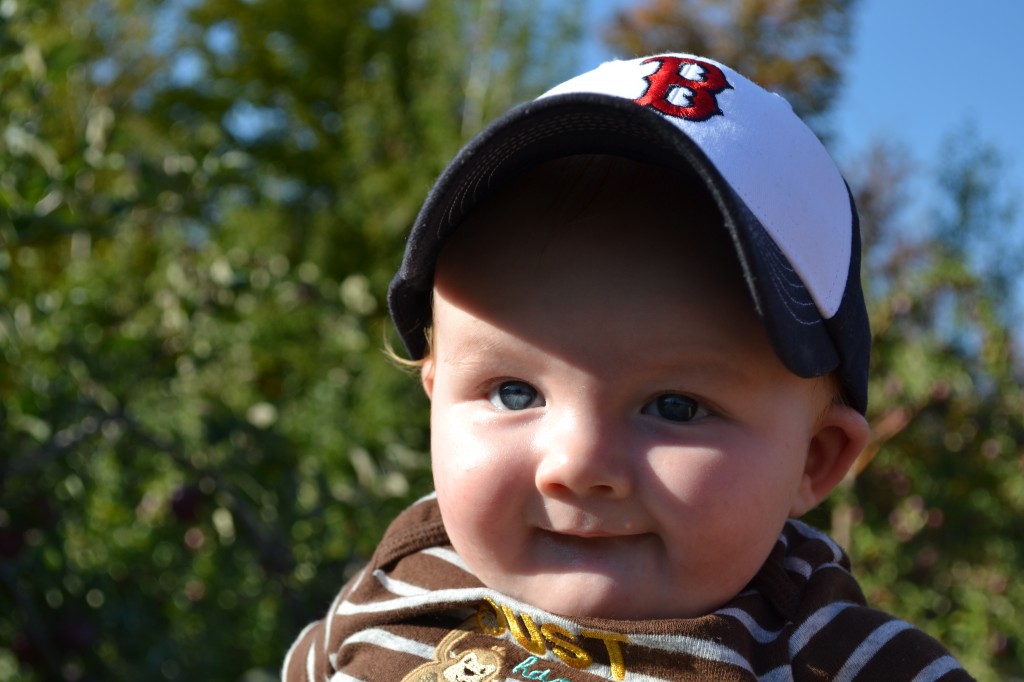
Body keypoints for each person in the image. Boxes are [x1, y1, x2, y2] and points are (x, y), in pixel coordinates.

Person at [283, 53, 972, 681]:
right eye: (516, 392)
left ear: (814, 459)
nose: (577, 464)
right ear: (435, 398)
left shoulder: (831, 659)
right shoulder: (401, 582)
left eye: (674, 406)